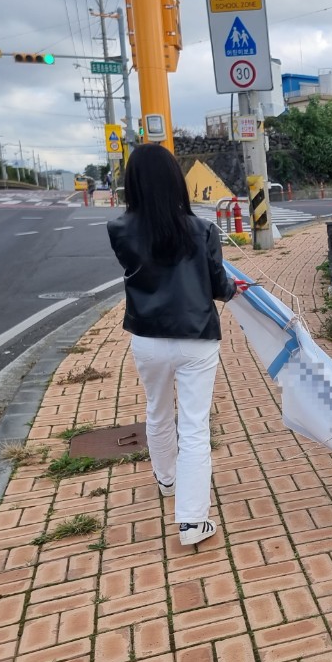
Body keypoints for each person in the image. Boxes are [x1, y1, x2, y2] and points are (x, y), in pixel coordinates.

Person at [107, 144, 249, 546]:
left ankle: (166, 480)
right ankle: (191, 521)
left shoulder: (119, 230)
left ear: (132, 183)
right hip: (196, 337)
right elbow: (218, 285)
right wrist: (232, 289)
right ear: (176, 181)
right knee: (194, 425)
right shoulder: (201, 229)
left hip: (147, 338)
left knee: (157, 411)